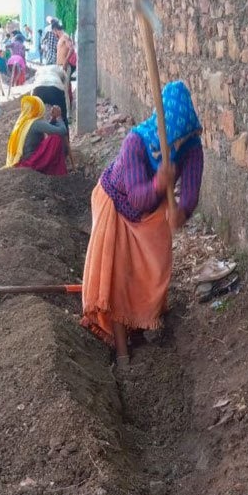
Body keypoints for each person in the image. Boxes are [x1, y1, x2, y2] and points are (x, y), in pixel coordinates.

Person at [81, 81, 204, 368]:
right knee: (118, 275)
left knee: (153, 269)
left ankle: (142, 323)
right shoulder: (136, 142)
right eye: (172, 140)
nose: (176, 146)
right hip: (116, 202)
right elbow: (137, 198)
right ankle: (122, 350)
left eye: (181, 140)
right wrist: (159, 182)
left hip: (151, 212)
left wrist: (183, 211)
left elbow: (191, 191)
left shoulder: (191, 145)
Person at [5, 95, 69, 175]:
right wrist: (59, 117)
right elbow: (62, 131)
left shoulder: (23, 122)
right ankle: (52, 171)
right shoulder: (36, 123)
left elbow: (49, 128)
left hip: (23, 159)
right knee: (55, 138)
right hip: (32, 161)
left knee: (52, 136)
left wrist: (53, 118)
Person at [32, 63, 70, 127]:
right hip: (55, 87)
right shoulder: (60, 69)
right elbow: (65, 88)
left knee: (34, 117)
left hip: (38, 89)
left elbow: (35, 83)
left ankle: (35, 132)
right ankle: (64, 131)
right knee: (62, 116)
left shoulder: (40, 70)